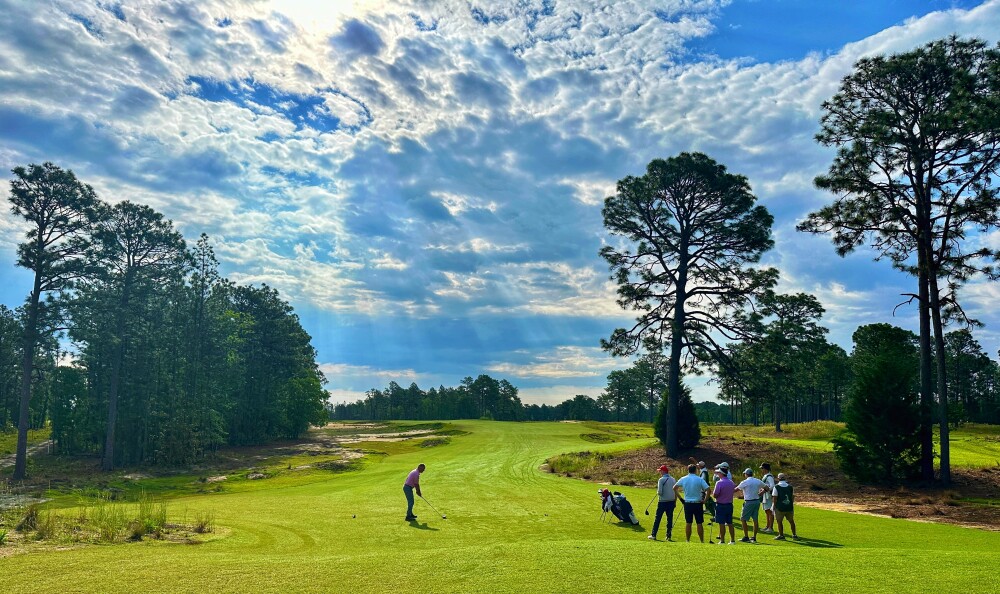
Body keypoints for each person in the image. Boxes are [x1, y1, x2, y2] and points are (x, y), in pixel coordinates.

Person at [673, 464, 710, 543]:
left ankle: (688, 540)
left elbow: (674, 488)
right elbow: (708, 490)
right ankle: (702, 540)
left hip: (688, 503)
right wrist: (705, 500)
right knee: (699, 523)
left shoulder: (684, 479)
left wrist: (680, 499)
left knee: (688, 522)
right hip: (698, 503)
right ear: (695, 470)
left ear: (688, 470)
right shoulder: (699, 479)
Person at [735, 468, 764, 543]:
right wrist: (761, 493)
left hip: (749, 502)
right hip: (757, 501)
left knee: (743, 519)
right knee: (755, 519)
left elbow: (736, 489)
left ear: (746, 474)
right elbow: (766, 488)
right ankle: (754, 537)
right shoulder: (757, 481)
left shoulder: (745, 482)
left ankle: (746, 536)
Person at [649, 465, 677, 541]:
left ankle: (653, 535)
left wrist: (657, 492)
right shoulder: (673, 479)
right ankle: (668, 536)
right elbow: (675, 492)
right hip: (671, 501)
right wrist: (675, 501)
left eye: (660, 471)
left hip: (662, 502)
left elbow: (660, 492)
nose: (660, 472)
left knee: (658, 518)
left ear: (663, 471)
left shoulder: (661, 480)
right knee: (669, 519)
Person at [711, 467, 736, 544]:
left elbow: (715, 495)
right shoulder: (731, 482)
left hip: (721, 505)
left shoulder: (719, 483)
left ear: (722, 473)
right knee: (730, 523)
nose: (718, 474)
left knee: (721, 523)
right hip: (729, 505)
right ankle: (732, 540)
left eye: (718, 473)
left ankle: (722, 540)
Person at [772, 472, 799, 541]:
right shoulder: (790, 487)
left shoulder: (776, 487)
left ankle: (781, 535)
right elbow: (792, 496)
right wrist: (791, 503)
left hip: (780, 507)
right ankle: (794, 535)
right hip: (789, 507)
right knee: (791, 521)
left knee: (779, 521)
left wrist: (774, 506)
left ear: (778, 478)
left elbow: (775, 498)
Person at [759, 463, 776, 534]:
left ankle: (770, 527)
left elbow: (772, 486)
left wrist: (764, 490)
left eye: (762, 468)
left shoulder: (769, 477)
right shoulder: (765, 476)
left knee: (769, 511)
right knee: (766, 511)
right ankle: (767, 525)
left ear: (765, 469)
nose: (761, 470)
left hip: (768, 496)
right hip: (765, 496)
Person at [697, 461, 715, 526]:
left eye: (699, 465)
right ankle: (714, 514)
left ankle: (715, 515)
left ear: (701, 466)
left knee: (708, 502)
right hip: (705, 489)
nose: (698, 466)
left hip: (704, 489)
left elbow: (702, 480)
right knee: (708, 502)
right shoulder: (703, 470)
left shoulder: (704, 472)